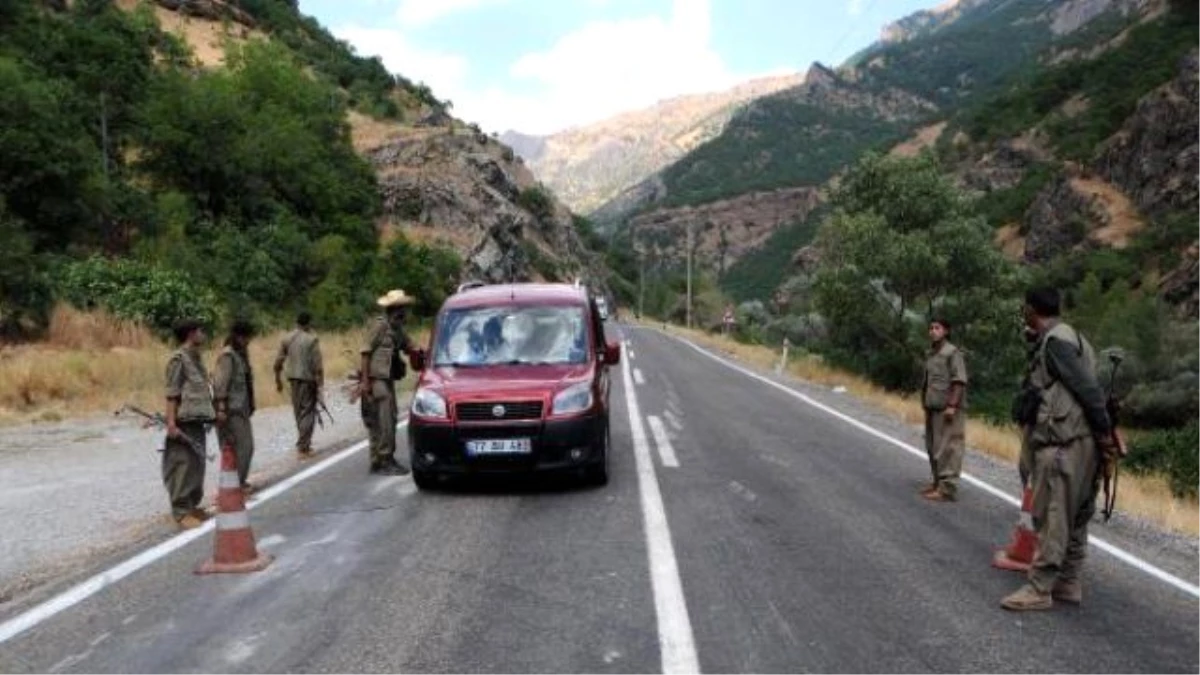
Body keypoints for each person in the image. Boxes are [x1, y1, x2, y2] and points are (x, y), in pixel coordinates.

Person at [1002, 287, 1119, 611]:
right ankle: (1068, 582)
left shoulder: (1056, 343)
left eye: (1025, 309)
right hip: (1083, 442)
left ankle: (1040, 588)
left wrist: (1105, 431)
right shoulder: (1075, 339)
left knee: (1053, 514)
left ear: (1031, 309)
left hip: (1063, 443)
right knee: (1075, 516)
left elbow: (1088, 389)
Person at [359, 289, 419, 475]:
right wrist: (365, 382)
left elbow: (410, 347)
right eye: (401, 308)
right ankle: (385, 459)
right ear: (394, 309)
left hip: (387, 378)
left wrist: (420, 353)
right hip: (377, 379)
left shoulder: (397, 329)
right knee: (385, 418)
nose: (404, 312)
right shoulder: (380, 326)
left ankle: (378, 459)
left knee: (386, 418)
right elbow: (365, 352)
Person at [163, 319, 214, 530]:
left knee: (196, 465)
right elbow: (172, 394)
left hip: (197, 420)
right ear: (191, 334)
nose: (203, 335)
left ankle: (192, 506)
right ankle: (181, 512)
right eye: (200, 331)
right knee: (183, 465)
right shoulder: (178, 360)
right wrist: (171, 423)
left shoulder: (196, 359)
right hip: (183, 422)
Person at [920, 318, 968, 502]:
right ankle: (937, 483)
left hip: (948, 410)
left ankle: (947, 489)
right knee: (933, 447)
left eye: (937, 328)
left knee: (949, 448)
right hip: (932, 408)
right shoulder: (932, 354)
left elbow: (959, 381)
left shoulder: (952, 353)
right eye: (931, 328)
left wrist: (952, 406)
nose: (932, 331)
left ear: (946, 331)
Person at [214, 319, 257, 492]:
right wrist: (222, 408)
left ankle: (237, 482)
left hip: (241, 409)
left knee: (241, 447)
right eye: (246, 338)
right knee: (244, 446)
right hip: (231, 410)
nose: (248, 341)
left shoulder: (240, 355)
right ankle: (235, 485)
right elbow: (221, 384)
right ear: (239, 337)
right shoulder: (228, 356)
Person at [274, 312, 324, 459]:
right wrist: (320, 383)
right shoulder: (312, 339)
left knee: (298, 412)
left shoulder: (286, 338)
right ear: (308, 323)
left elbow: (278, 362)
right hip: (307, 380)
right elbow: (318, 365)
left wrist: (277, 380)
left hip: (292, 380)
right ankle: (303, 447)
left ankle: (303, 443)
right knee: (307, 412)